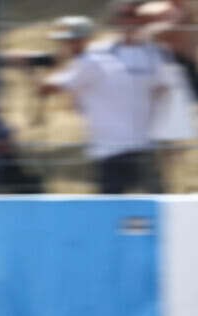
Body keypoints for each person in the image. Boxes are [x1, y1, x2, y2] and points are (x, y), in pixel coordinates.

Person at [39, 8, 172, 194]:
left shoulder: (89, 62)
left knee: (111, 206)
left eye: (69, 41)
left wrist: (46, 65)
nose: (66, 46)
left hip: (112, 148)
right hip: (139, 144)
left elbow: (47, 87)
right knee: (153, 202)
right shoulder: (106, 59)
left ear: (83, 40)